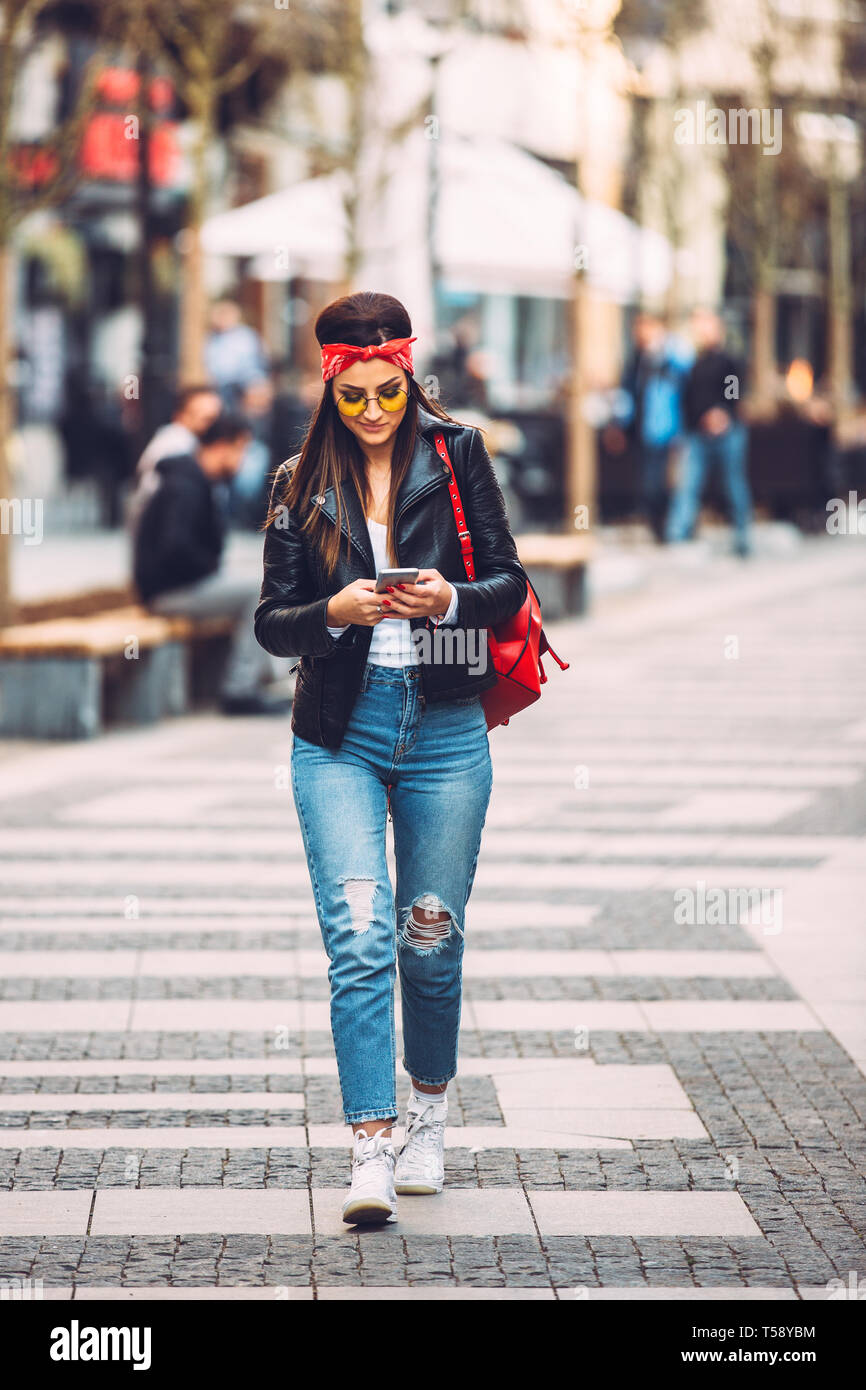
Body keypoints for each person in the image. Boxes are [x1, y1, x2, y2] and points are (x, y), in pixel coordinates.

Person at [255, 290, 527, 1225]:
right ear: (328, 387)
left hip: (446, 727)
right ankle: (370, 1145)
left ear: (409, 376)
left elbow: (508, 582)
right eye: (354, 397)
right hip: (340, 732)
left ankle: (429, 1112)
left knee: (429, 937)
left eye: (388, 393)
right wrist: (334, 613)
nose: (373, 413)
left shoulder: (458, 456)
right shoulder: (298, 481)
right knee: (359, 937)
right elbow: (270, 622)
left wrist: (448, 598)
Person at [132, 413, 289, 716]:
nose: (242, 461)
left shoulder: (194, 479)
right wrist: (210, 565)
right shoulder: (185, 485)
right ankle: (239, 690)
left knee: (261, 580)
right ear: (221, 447)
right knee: (260, 591)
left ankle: (261, 679)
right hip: (169, 593)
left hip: (177, 586)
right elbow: (174, 548)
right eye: (241, 450)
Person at [666, 308, 753, 555]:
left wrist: (722, 414)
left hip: (728, 433)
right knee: (688, 484)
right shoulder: (693, 364)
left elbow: (735, 392)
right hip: (697, 435)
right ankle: (678, 534)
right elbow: (688, 399)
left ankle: (742, 537)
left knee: (734, 484)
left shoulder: (729, 360)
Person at [609, 313, 692, 542]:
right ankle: (659, 529)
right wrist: (619, 426)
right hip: (645, 433)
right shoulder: (637, 361)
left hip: (672, 433)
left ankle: (673, 529)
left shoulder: (673, 357)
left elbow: (688, 384)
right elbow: (627, 396)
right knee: (649, 485)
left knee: (670, 484)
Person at [205, 299, 269, 409]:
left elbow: (256, 363)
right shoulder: (211, 338)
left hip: (244, 386)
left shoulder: (246, 336)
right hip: (219, 387)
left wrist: (255, 385)